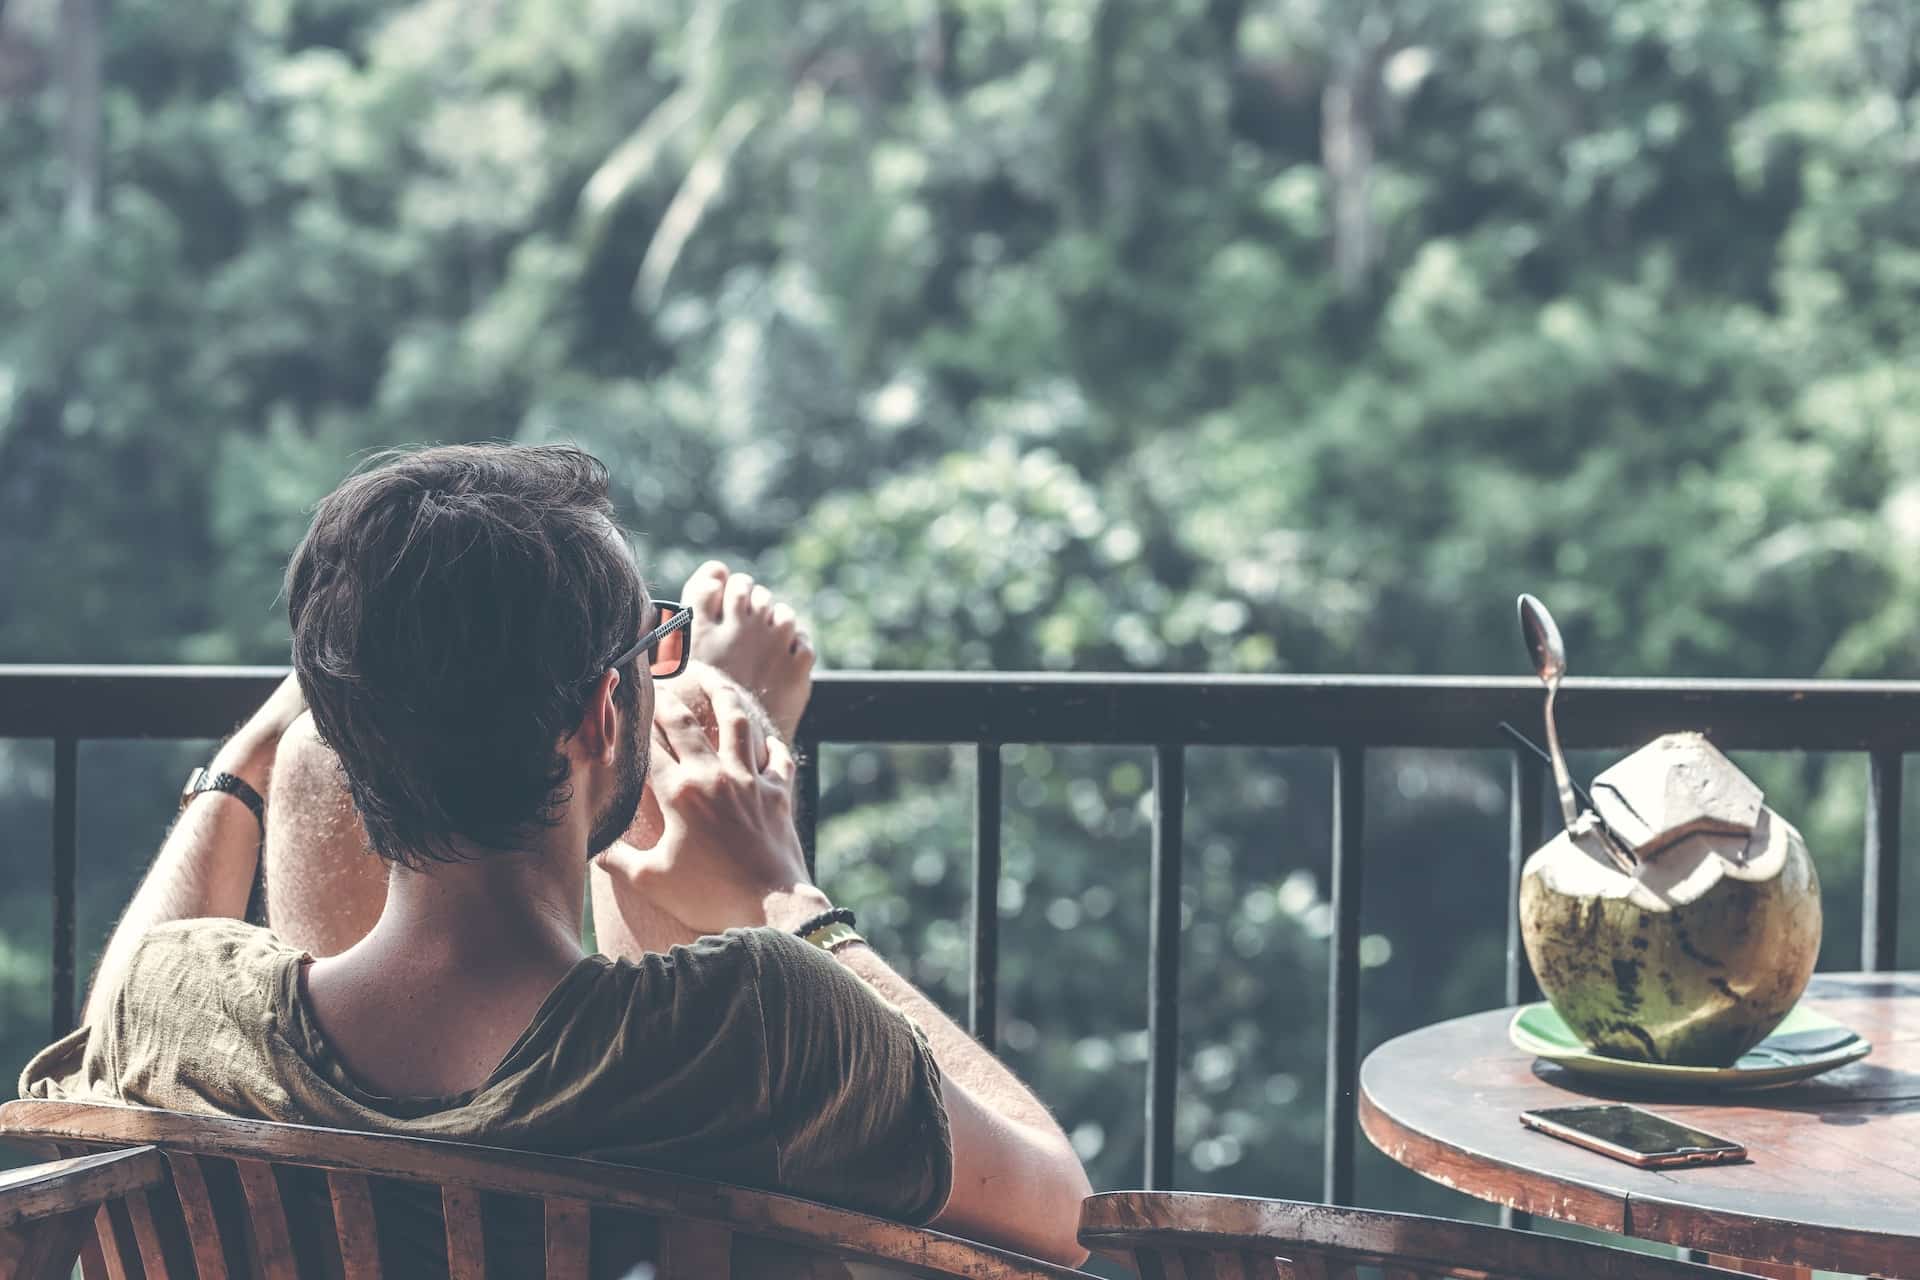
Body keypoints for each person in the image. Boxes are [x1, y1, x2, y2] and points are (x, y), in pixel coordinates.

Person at [21, 443, 1092, 1267]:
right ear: (594, 713)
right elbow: (1066, 1210)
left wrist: (248, 759)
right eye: (648, 651)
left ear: (342, 726)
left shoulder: (180, 1008)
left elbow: (105, 1038)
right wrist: (788, 894)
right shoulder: (763, 1024)